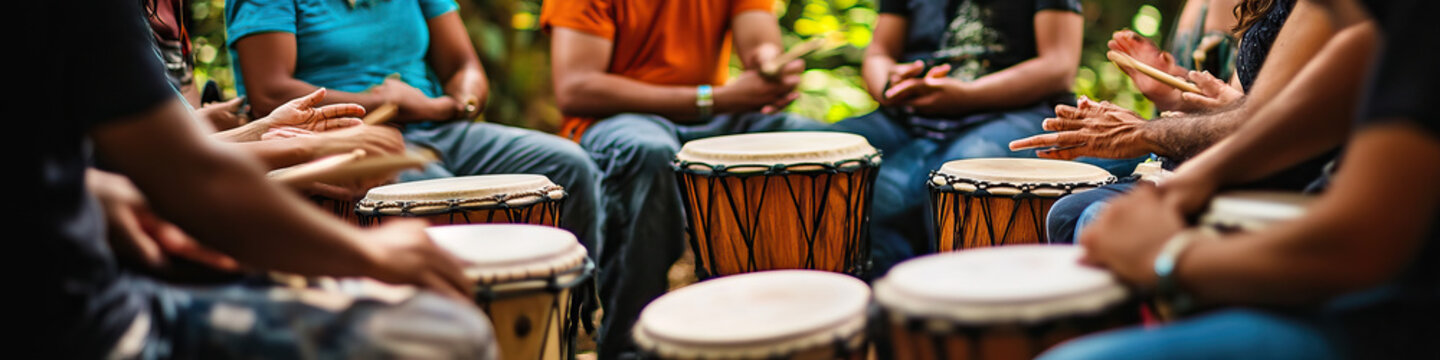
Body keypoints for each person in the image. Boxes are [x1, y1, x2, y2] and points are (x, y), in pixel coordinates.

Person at [31, 1, 495, 357]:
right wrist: (366, 250)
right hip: (93, 324)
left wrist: (99, 195)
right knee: (449, 334)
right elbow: (186, 175)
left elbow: (75, 164)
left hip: (89, 283)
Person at [1039, 0, 1438, 358]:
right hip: (1343, 272)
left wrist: (1168, 259)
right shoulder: (1379, 25)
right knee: (1078, 216)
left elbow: (1361, 245)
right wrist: (1190, 180)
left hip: (1396, 315)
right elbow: (1336, 79)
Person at [540, 1, 825, 358]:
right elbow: (577, 87)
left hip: (713, 119)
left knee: (804, 138)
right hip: (618, 121)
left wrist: (768, 62)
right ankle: (630, 344)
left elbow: (759, 40)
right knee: (647, 152)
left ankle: (787, 329)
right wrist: (713, 99)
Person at [226, 0, 602, 250]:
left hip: (438, 125)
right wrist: (389, 104)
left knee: (569, 165)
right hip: (347, 136)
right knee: (436, 187)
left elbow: (464, 67)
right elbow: (270, 92)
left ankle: (563, 318)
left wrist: (458, 103)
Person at [1012, 0, 1352, 244]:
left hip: (1278, 174)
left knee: (1094, 218)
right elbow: (1238, 100)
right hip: (1230, 149)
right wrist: (1171, 92)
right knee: (1064, 214)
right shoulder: (1263, 6)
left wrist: (1142, 132)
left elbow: (1267, 117)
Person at [827, 0, 1087, 274]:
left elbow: (1058, 65)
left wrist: (967, 94)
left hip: (1014, 113)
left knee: (961, 171)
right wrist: (889, 84)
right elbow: (880, 54)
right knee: (836, 154)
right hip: (908, 116)